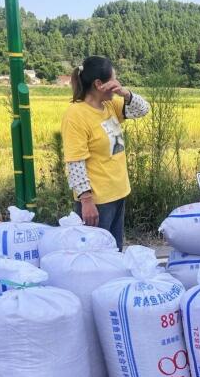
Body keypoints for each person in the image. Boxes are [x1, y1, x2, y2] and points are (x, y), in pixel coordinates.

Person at [61, 55, 150, 250]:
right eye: (113, 79)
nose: (117, 83)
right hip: (98, 201)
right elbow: (75, 162)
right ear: (98, 84)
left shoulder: (110, 106)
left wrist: (125, 93)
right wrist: (86, 201)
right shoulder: (76, 115)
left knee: (115, 251)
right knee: (96, 254)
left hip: (118, 193)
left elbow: (143, 109)